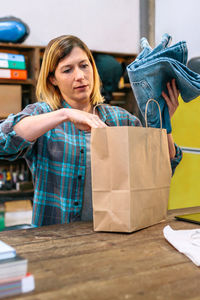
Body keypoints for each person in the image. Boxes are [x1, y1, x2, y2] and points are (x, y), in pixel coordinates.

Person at [0, 35, 182, 227]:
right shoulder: (43, 115)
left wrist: (164, 125)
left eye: (84, 65)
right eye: (67, 70)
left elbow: (160, 169)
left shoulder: (121, 119)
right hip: (55, 242)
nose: (79, 76)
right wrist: (64, 114)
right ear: (53, 79)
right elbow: (3, 141)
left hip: (113, 236)